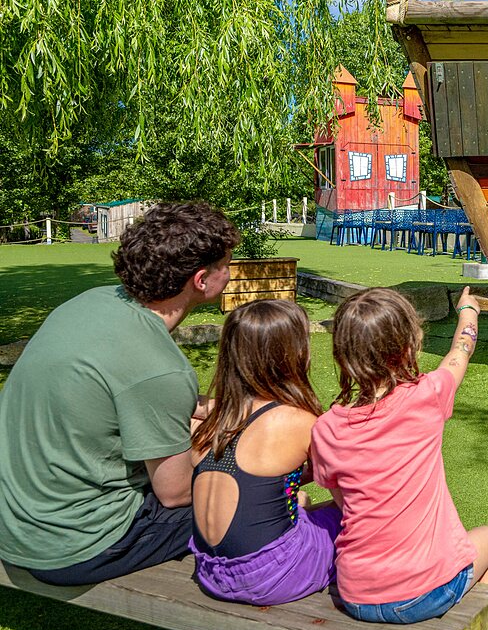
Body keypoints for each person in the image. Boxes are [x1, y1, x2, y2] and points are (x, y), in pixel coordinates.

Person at [0, 201, 239, 584]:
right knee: (243, 499)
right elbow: (175, 494)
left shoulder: (89, 302)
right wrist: (218, 444)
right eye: (225, 264)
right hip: (76, 545)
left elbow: (124, 393)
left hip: (16, 520)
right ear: (200, 280)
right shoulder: (160, 368)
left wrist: (217, 409)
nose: (228, 273)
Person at [309, 287, 488, 630]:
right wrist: (469, 312)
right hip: (427, 592)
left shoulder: (326, 428)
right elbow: (459, 352)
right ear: (408, 346)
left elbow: (344, 504)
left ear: (343, 355)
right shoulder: (427, 396)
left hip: (356, 594)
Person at [188, 299, 341, 605]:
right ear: (291, 354)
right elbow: (351, 494)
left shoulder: (208, 423)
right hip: (270, 575)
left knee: (298, 500)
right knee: (350, 516)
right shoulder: (298, 421)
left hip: (211, 570)